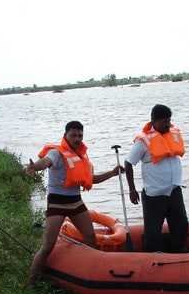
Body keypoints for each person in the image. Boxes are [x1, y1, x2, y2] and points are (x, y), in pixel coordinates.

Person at [25, 121, 122, 285]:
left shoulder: (82, 156)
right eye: (73, 135)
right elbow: (45, 162)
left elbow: (92, 179)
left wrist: (112, 173)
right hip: (57, 204)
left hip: (76, 203)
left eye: (80, 135)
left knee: (91, 238)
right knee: (48, 245)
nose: (77, 139)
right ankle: (31, 281)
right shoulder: (56, 153)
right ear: (65, 136)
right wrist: (35, 166)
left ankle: (93, 271)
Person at [124, 104, 188, 252]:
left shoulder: (173, 135)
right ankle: (153, 261)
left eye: (168, 120)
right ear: (153, 121)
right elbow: (128, 164)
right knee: (153, 233)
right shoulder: (143, 141)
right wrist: (132, 190)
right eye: (163, 121)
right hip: (154, 195)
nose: (167, 124)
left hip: (174, 191)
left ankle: (179, 255)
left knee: (181, 226)